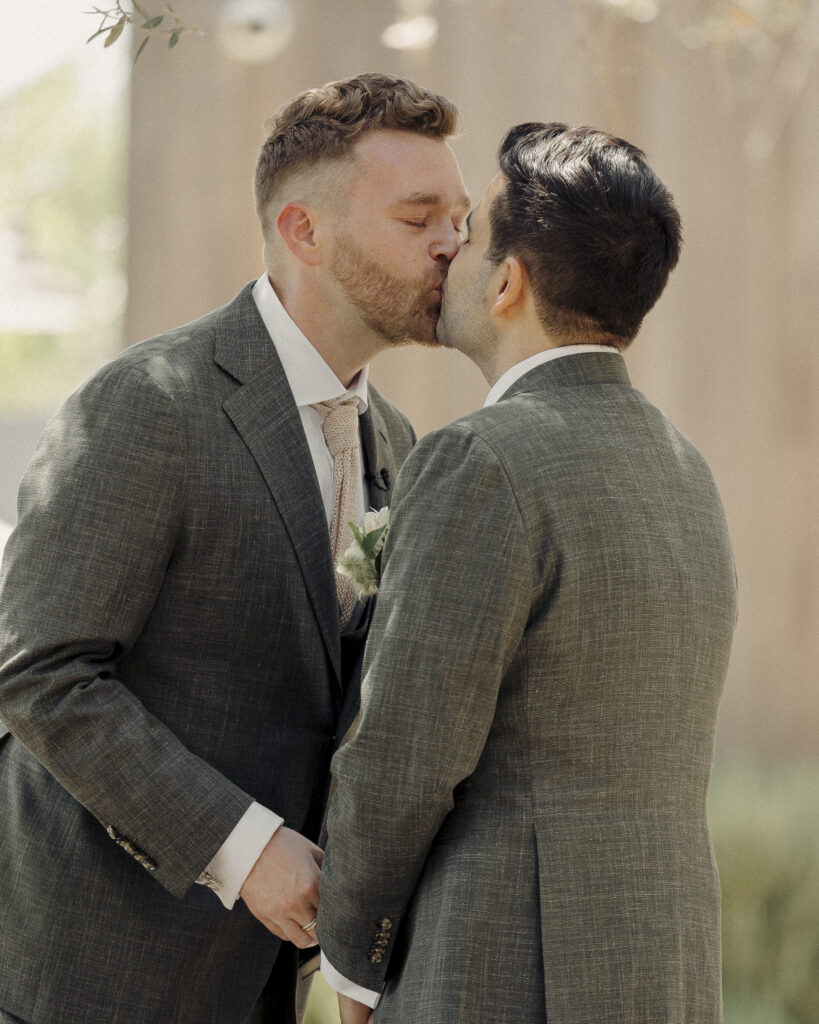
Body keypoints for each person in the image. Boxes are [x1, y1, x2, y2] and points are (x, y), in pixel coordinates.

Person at [0, 73, 468, 1024]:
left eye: (459, 218)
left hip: (260, 987)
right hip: (91, 980)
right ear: (305, 232)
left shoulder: (399, 444)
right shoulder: (149, 402)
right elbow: (39, 670)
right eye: (420, 217)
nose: (453, 245)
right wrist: (245, 846)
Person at [317, 122, 738, 1024]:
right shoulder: (683, 467)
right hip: (663, 967)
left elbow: (403, 756)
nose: (447, 252)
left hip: (500, 967)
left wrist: (352, 968)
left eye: (467, 234)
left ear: (508, 283)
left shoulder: (485, 460)